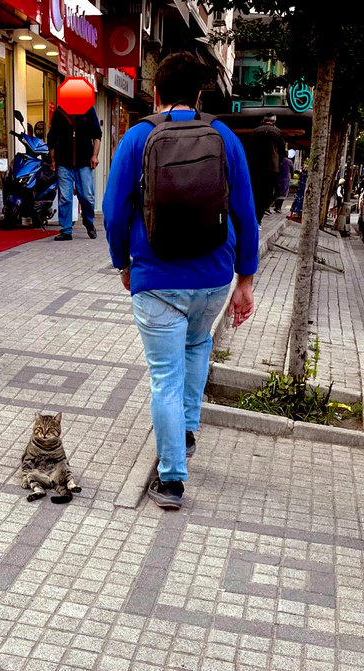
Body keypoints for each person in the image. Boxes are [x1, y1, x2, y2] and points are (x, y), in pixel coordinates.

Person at [103, 51, 259, 511]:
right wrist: (246, 280)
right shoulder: (225, 137)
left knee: (165, 376)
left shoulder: (137, 137)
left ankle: (171, 479)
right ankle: (187, 432)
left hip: (156, 277)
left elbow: (113, 211)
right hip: (213, 277)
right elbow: (246, 213)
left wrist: (123, 263)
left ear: (155, 93)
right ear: (199, 95)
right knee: (197, 348)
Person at [47, 102, 102, 241]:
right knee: (65, 197)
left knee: (87, 196)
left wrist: (95, 155)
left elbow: (97, 135)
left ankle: (88, 222)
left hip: (84, 162)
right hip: (63, 162)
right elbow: (52, 138)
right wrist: (53, 160)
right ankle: (66, 230)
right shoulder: (60, 112)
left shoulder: (88, 110)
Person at [245, 114, 287, 223]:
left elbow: (248, 150)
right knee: (267, 193)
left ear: (263, 121)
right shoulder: (278, 133)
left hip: (255, 167)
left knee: (255, 192)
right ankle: (259, 217)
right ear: (274, 121)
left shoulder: (255, 132)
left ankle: (254, 216)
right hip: (271, 169)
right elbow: (282, 153)